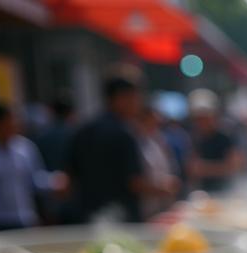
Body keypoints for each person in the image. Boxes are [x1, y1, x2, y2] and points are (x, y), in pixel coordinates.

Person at [68, 67, 171, 222]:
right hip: (122, 220)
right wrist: (162, 189)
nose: (138, 103)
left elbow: (69, 178)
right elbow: (134, 182)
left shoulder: (83, 130)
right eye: (136, 97)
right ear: (121, 98)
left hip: (89, 218)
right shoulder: (124, 133)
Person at [0, 101, 53, 232]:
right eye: (8, 121)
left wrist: (53, 182)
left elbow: (35, 180)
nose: (13, 125)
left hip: (25, 218)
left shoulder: (26, 148)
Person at [188, 89, 243, 194]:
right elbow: (191, 168)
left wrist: (205, 169)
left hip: (224, 192)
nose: (201, 122)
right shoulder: (194, 138)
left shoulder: (225, 138)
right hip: (201, 194)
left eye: (204, 117)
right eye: (198, 118)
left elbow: (235, 166)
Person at [138, 104, 180, 220]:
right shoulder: (135, 143)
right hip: (145, 208)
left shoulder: (155, 141)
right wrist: (160, 189)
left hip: (161, 205)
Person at [34, 92, 76, 173]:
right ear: (71, 113)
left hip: (49, 182)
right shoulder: (76, 134)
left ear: (52, 111)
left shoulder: (42, 136)